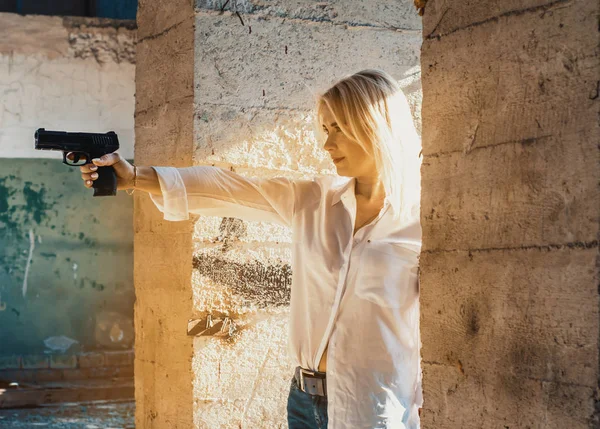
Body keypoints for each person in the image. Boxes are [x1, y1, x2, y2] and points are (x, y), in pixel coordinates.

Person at [80, 69, 423, 429]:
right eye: (326, 129)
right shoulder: (316, 200)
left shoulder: (424, 219)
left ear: (373, 124)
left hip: (376, 406)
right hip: (306, 401)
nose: (327, 144)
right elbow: (228, 187)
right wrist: (135, 178)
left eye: (338, 128)